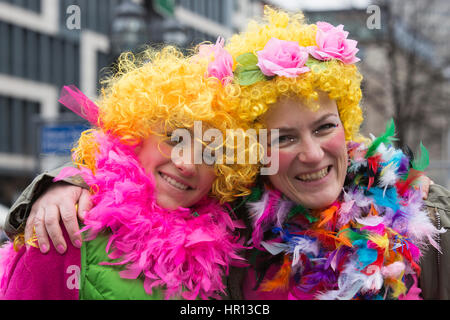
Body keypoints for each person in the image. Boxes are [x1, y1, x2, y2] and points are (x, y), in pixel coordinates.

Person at [3, 7, 448, 300]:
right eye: (283, 138)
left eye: (324, 127)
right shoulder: (239, 227)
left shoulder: (423, 217)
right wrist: (60, 185)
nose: (312, 154)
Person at [0, 45, 258, 300]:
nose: (187, 164)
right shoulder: (65, 223)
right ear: (137, 132)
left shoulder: (231, 243)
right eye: (174, 138)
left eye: (210, 153)